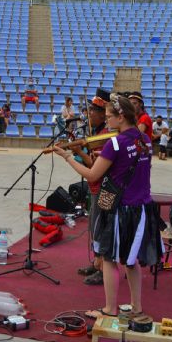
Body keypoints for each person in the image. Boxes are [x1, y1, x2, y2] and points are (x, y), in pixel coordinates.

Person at [53, 95, 162, 319]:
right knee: (131, 262)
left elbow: (92, 174)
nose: (107, 120)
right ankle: (136, 307)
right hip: (141, 207)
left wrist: (67, 157)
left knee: (110, 260)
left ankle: (110, 309)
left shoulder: (115, 142)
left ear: (121, 117)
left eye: (110, 116)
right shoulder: (145, 140)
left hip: (119, 207)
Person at [69, 89, 111, 286]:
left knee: (101, 228)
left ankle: (104, 270)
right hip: (94, 186)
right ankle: (96, 263)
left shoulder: (105, 135)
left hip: (103, 187)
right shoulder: (95, 132)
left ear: (103, 113)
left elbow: (94, 166)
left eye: (92, 111)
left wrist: (76, 152)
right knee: (94, 227)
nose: (88, 115)